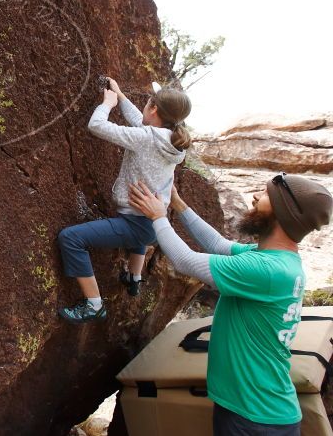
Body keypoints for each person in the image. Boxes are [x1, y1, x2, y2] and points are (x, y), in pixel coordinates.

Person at [128, 174, 333, 436]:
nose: (256, 196)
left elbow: (185, 261)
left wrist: (158, 217)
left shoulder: (267, 270)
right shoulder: (275, 260)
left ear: (285, 213)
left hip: (254, 419)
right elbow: (217, 244)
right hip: (259, 409)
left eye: (266, 194)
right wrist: (179, 205)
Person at [57, 77, 192, 323]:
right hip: (153, 225)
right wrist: (119, 94)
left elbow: (97, 126)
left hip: (136, 224)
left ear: (152, 109)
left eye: (148, 102)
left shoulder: (146, 138)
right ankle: (134, 278)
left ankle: (94, 304)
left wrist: (108, 103)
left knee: (71, 238)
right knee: (138, 234)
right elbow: (141, 124)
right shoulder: (173, 143)